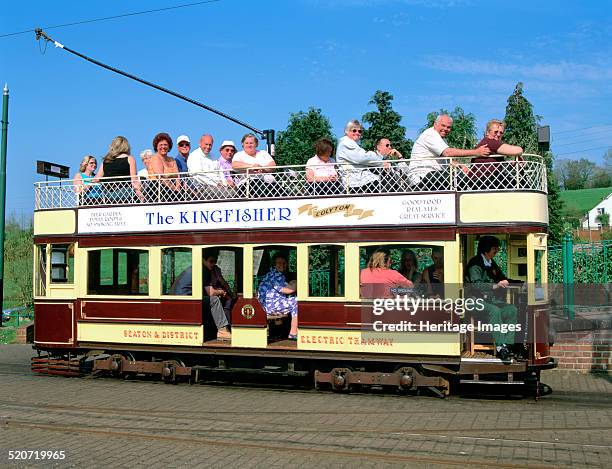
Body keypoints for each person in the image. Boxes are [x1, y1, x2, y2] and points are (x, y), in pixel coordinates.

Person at [465, 235, 521, 360]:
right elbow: (476, 285)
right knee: (494, 310)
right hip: (473, 301)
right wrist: (495, 286)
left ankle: (508, 344)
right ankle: (501, 348)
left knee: (511, 310)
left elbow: (502, 278)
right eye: (494, 248)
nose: (497, 251)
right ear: (486, 249)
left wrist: (521, 282)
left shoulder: (491, 262)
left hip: (489, 300)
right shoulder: (475, 264)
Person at [409, 114, 490, 190]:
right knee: (458, 178)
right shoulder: (430, 134)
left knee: (461, 177)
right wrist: (476, 152)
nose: (445, 129)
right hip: (421, 176)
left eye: (448, 127)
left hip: (433, 176)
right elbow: (447, 153)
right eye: (443, 125)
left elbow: (447, 160)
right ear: (435, 124)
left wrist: (460, 165)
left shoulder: (441, 139)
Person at [170, 253, 232, 340]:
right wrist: (222, 291)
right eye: (211, 261)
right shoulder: (203, 270)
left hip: (176, 299)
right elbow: (211, 292)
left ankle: (210, 329)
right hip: (184, 299)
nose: (213, 264)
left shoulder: (194, 268)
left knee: (206, 301)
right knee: (214, 300)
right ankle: (222, 331)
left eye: (215, 262)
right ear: (203, 260)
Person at [335, 120, 387, 193]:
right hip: (355, 183)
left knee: (387, 182)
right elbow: (363, 158)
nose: (357, 133)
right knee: (388, 185)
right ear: (347, 131)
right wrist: (378, 158)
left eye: (359, 131)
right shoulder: (346, 143)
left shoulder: (351, 143)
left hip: (361, 181)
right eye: (354, 130)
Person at [469, 120, 524, 189]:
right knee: (522, 184)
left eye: (501, 133)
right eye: (496, 132)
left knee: (518, 180)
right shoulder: (490, 142)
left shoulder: (486, 142)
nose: (498, 134)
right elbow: (518, 150)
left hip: (482, 180)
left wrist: (510, 164)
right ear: (487, 132)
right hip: (485, 180)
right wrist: (518, 155)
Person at [257, 253, 298, 340]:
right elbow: (289, 290)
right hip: (268, 306)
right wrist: (296, 282)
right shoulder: (275, 275)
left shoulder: (274, 274)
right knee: (297, 302)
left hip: (268, 304)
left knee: (292, 300)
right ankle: (293, 333)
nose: (282, 265)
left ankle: (282, 331)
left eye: (284, 263)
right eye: (279, 263)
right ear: (274, 264)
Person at [93, 136, 143, 202]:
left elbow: (96, 179)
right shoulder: (130, 159)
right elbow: (134, 180)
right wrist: (140, 195)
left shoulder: (106, 160)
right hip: (125, 193)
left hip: (107, 195)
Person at [232, 133, 277, 197]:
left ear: (256, 144)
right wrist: (252, 167)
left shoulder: (263, 153)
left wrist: (262, 168)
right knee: (261, 188)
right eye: (246, 143)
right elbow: (235, 165)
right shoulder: (239, 154)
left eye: (251, 143)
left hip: (269, 183)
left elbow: (273, 165)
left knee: (284, 192)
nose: (249, 145)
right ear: (242, 144)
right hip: (249, 184)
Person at [149, 132, 182, 201]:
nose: (163, 147)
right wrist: (174, 189)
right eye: (160, 145)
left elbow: (177, 176)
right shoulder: (155, 158)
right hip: (157, 189)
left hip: (171, 190)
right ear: (156, 147)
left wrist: (178, 187)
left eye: (165, 145)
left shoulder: (172, 159)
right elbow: (160, 177)